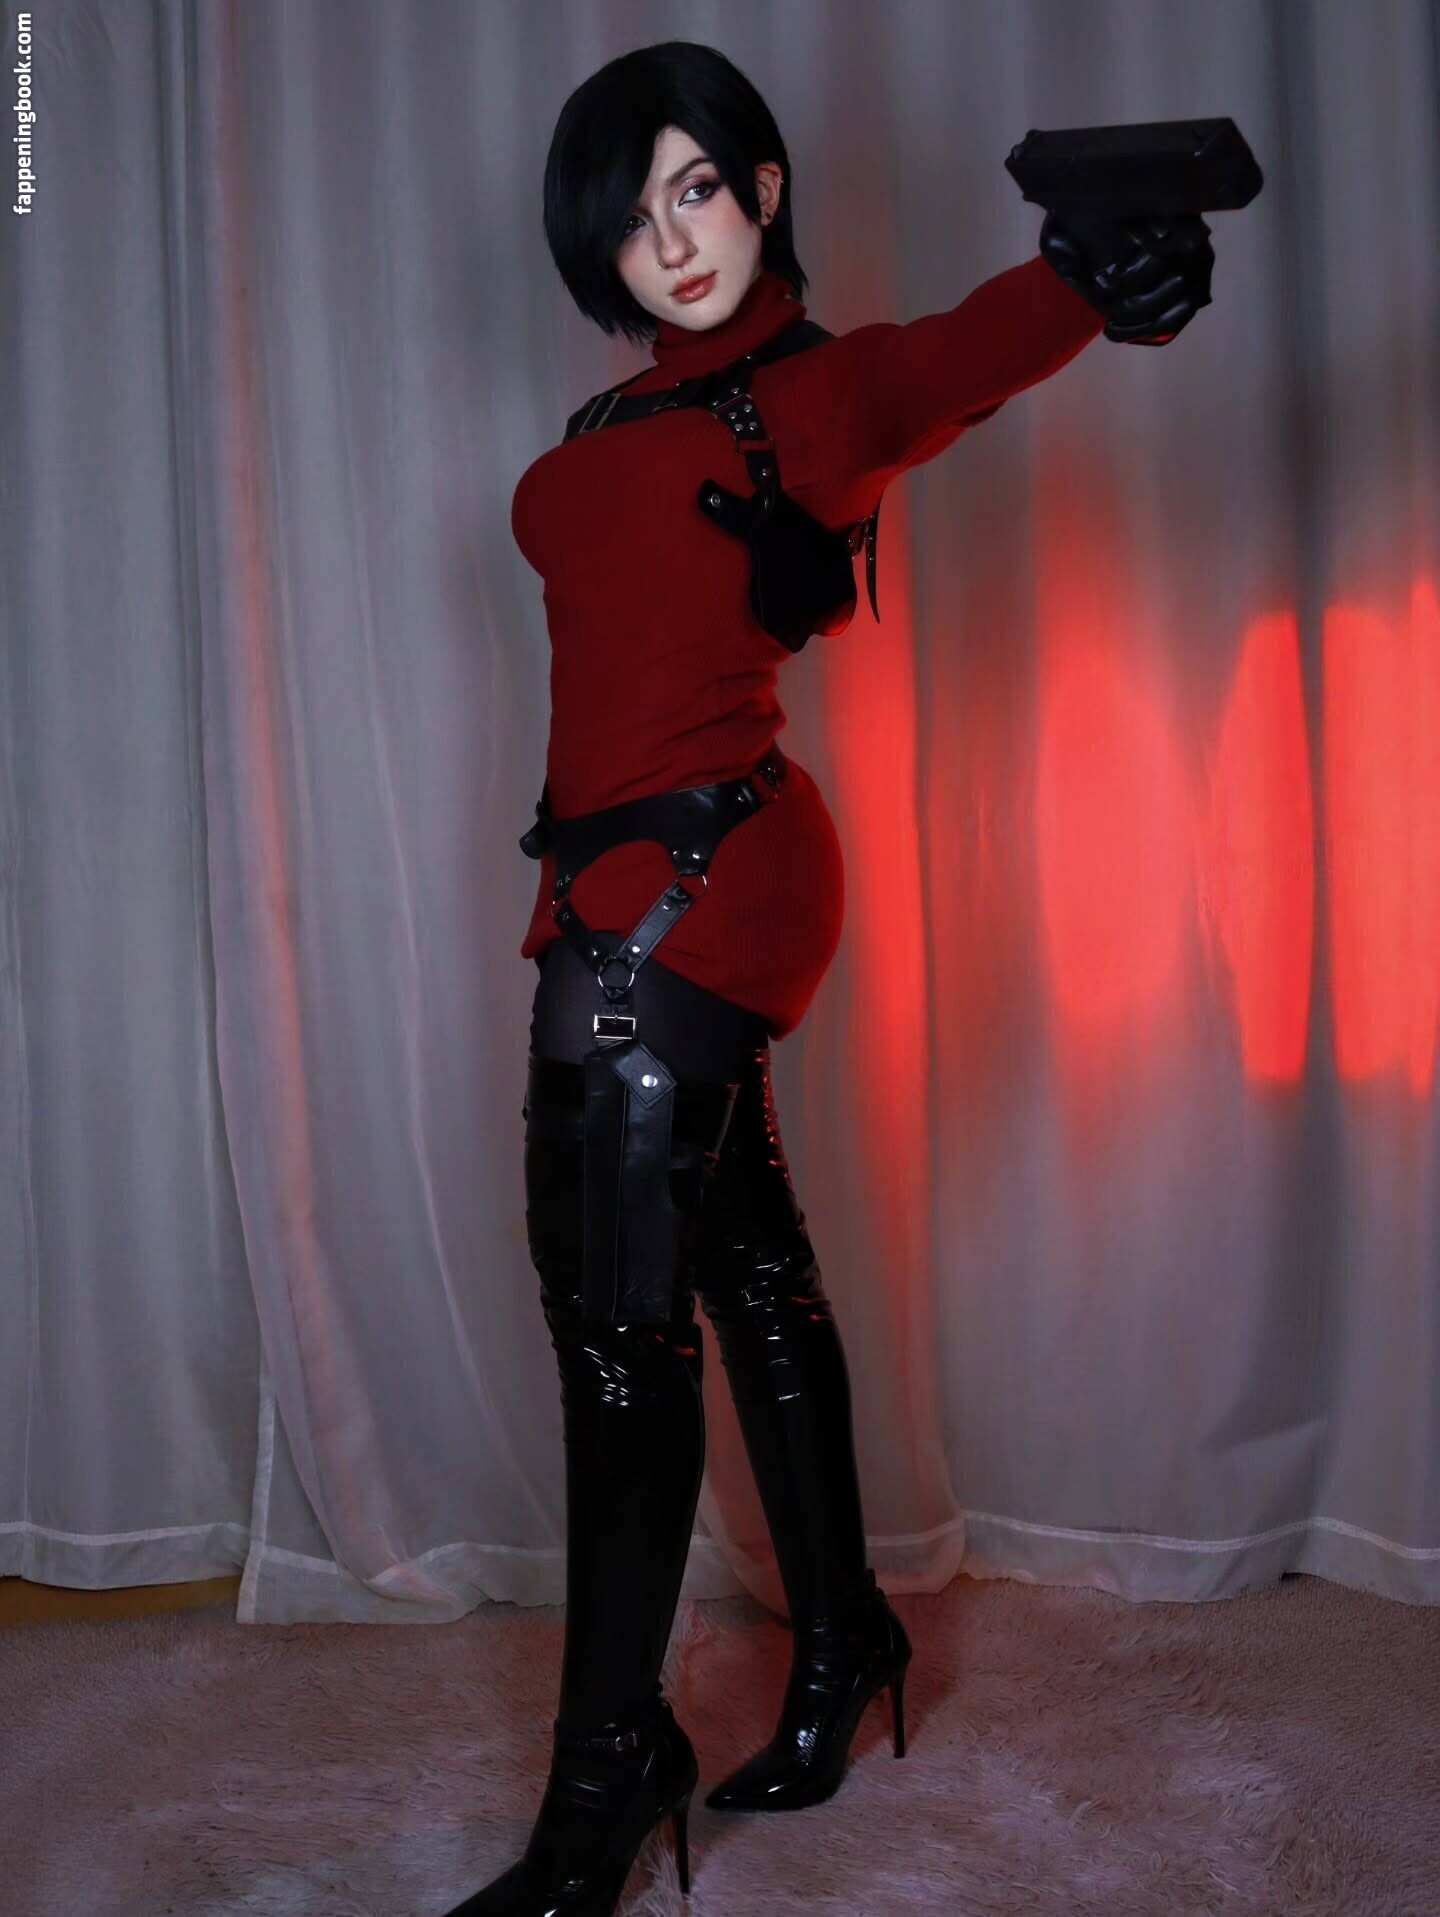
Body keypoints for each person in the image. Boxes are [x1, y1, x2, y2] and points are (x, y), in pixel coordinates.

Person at [447, 38, 1215, 1917]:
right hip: (636, 888)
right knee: (748, 1269)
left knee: (618, 1341)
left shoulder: (816, 388)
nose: (671, 240)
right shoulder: (615, 420)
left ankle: (604, 1781)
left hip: (687, 892)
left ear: (764, 189)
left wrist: (1089, 274)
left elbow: (958, 355)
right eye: (631, 216)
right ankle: (846, 1637)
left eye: (698, 188)